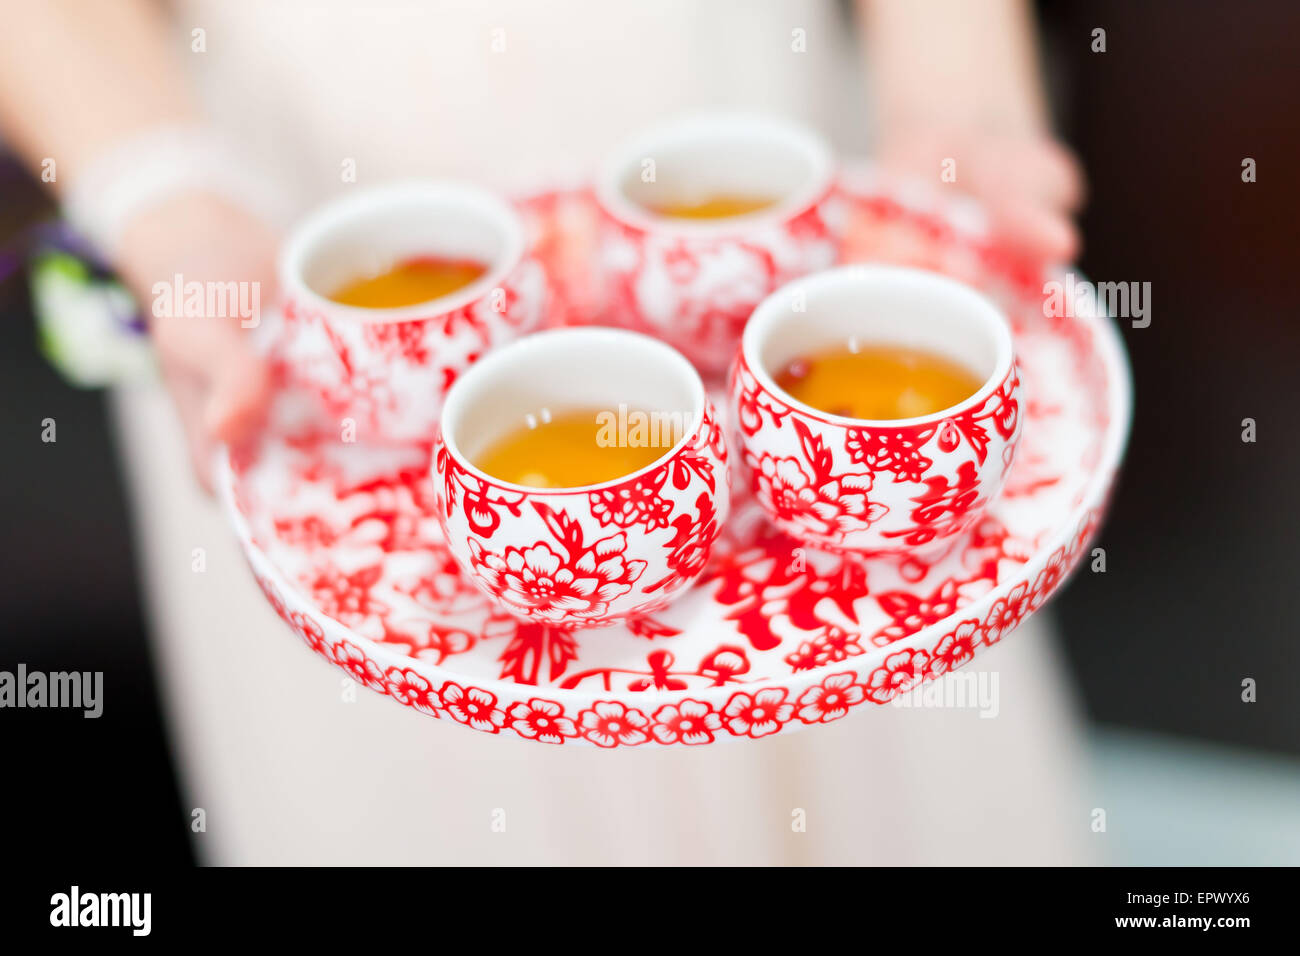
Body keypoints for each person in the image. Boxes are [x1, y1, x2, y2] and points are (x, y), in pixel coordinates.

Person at [0, 0, 1093, 864]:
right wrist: (163, 194)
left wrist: (956, 81)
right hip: (279, 219)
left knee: (880, 728)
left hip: (757, 105)